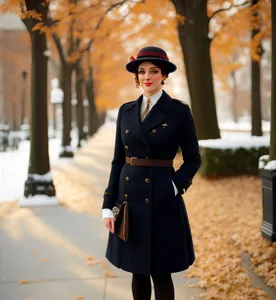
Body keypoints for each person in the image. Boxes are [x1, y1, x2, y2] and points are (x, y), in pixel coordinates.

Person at [102, 46, 201, 300]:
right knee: (137, 271)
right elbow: (117, 161)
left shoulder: (179, 111)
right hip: (129, 201)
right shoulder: (125, 111)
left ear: (163, 75)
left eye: (154, 71)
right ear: (136, 76)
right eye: (142, 71)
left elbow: (192, 159)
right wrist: (108, 205)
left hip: (163, 199)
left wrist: (174, 186)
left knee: (161, 272)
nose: (147, 76)